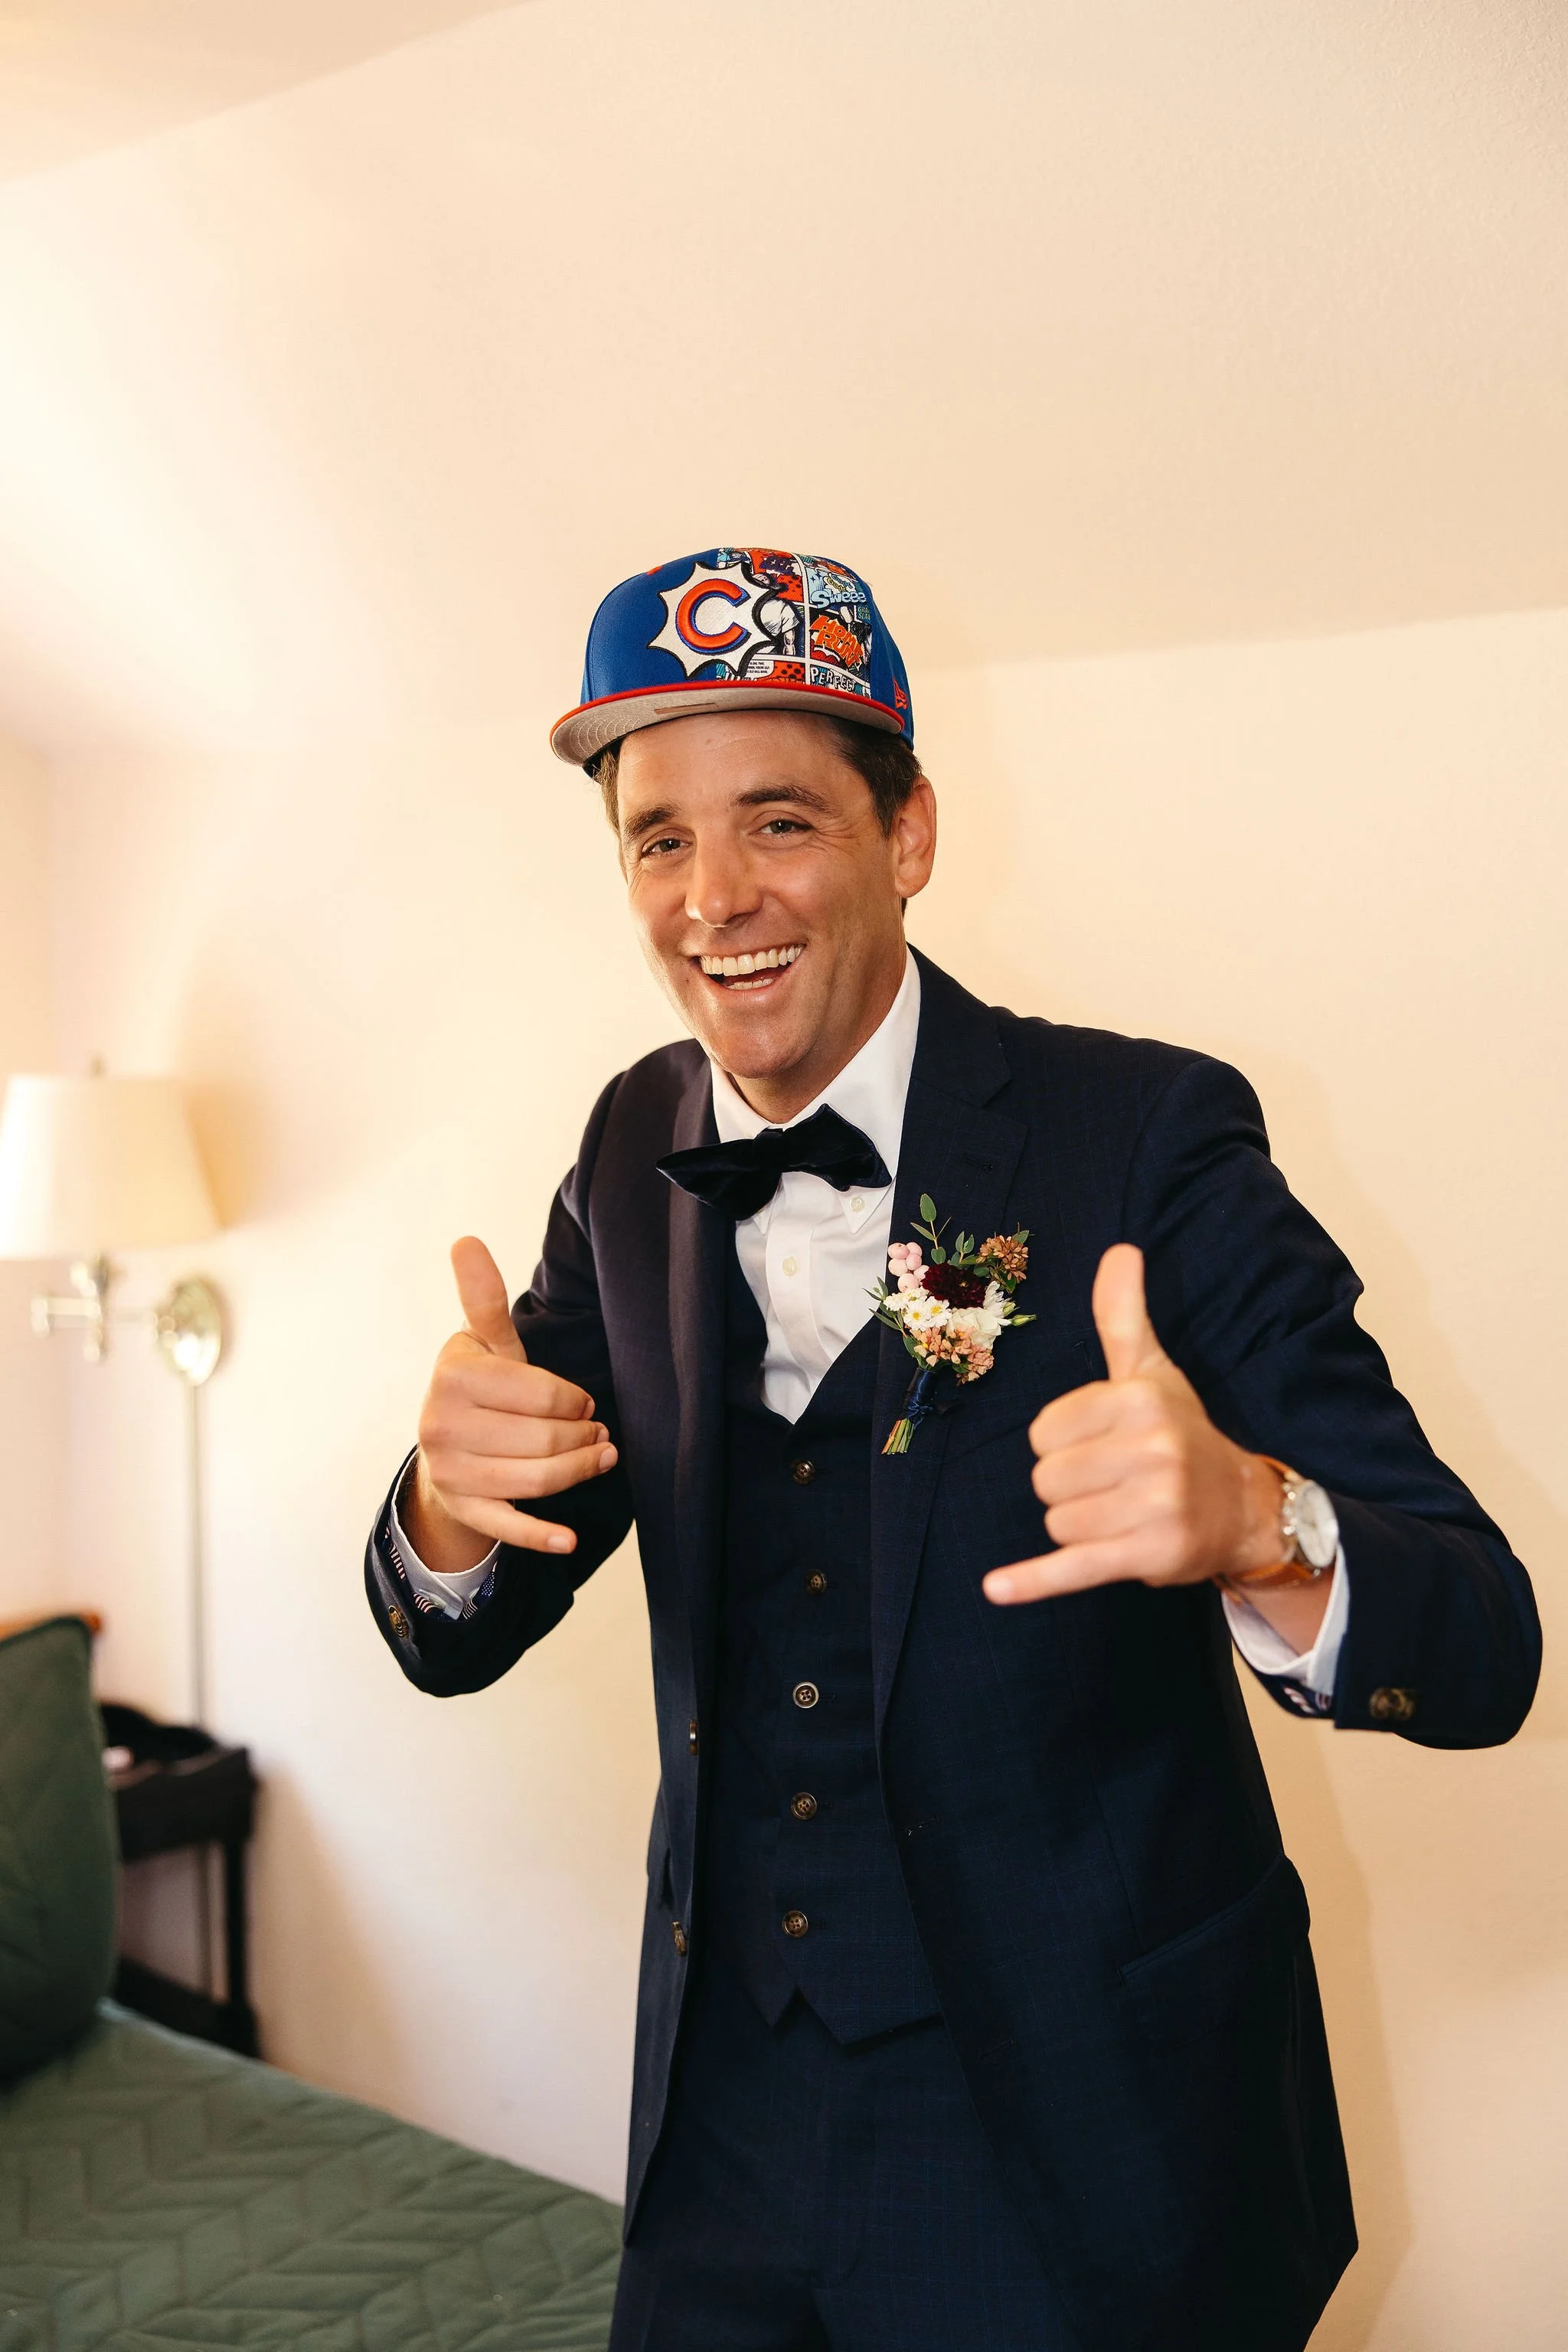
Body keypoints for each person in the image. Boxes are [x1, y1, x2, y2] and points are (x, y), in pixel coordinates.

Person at [365, 547, 1539, 2352]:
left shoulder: (1144, 1134)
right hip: (730, 2126)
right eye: (660, 839)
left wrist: (1260, 1523)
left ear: (906, 833)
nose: (715, 897)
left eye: (777, 822)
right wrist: (450, 1500)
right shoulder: (627, 1151)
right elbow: (459, 1630)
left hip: (1089, 2148)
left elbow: (1483, 1641)